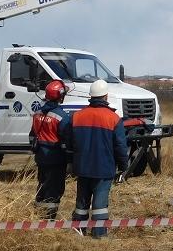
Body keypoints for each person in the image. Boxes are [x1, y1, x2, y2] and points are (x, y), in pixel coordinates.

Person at [70, 79, 128, 238]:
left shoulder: (77, 116)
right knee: (100, 204)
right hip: (103, 168)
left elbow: (70, 142)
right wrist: (124, 166)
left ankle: (78, 230)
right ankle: (99, 233)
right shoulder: (113, 118)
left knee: (82, 202)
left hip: (82, 167)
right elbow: (120, 147)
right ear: (106, 96)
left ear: (91, 96)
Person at [29, 80, 72, 219]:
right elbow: (67, 139)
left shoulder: (37, 114)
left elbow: (32, 135)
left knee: (42, 183)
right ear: (60, 96)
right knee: (55, 188)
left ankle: (38, 213)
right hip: (56, 158)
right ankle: (49, 218)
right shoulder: (61, 116)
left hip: (40, 157)